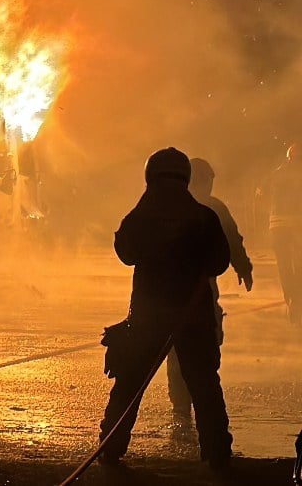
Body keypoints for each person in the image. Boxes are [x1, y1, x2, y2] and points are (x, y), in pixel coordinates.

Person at [99, 147, 233, 468]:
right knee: (203, 384)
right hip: (194, 316)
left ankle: (111, 447)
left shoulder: (141, 215)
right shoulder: (204, 216)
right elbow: (219, 262)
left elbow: (125, 252)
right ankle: (216, 452)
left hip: (148, 316)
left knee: (130, 382)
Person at [165, 158, 253, 421]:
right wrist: (243, 267)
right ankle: (197, 407)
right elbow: (232, 239)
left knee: (176, 350)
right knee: (203, 347)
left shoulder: (167, 206)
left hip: (169, 293)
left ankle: (181, 405)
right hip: (199, 292)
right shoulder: (213, 208)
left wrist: (242, 265)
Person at [270, 143, 302, 323]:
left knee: (284, 264)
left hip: (277, 226)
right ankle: (298, 299)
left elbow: (262, 193)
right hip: (297, 224)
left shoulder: (276, 173)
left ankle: (291, 299)